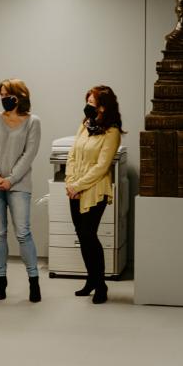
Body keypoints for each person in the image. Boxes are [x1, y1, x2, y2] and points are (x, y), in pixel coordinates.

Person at [0, 79, 41, 302]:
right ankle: (1, 280)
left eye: (7, 94)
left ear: (19, 96)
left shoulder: (33, 122)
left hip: (19, 184)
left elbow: (30, 153)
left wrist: (11, 179)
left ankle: (33, 280)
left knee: (23, 232)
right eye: (1, 94)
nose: (3, 98)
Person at [65, 85, 123, 304]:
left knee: (90, 236)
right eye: (87, 102)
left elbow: (102, 166)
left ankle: (101, 285)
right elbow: (72, 154)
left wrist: (78, 185)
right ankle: (91, 280)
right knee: (82, 236)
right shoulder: (84, 125)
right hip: (75, 189)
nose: (87, 107)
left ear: (103, 106)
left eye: (91, 103)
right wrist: (70, 183)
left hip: (94, 190)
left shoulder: (112, 131)